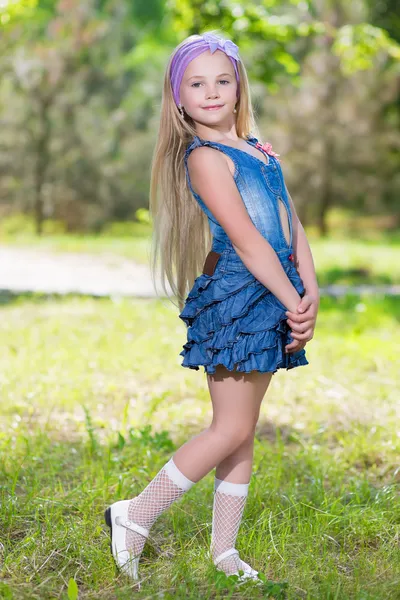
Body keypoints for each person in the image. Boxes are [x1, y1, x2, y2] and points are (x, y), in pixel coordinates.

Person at [105, 29, 319, 587]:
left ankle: (223, 551)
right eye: (197, 84)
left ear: (238, 85)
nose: (212, 91)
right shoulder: (205, 158)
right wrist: (292, 298)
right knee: (228, 428)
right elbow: (247, 240)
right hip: (237, 298)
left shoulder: (260, 150)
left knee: (243, 430)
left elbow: (290, 224)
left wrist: (309, 289)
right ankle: (137, 513)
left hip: (273, 293)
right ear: (179, 97)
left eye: (223, 80)